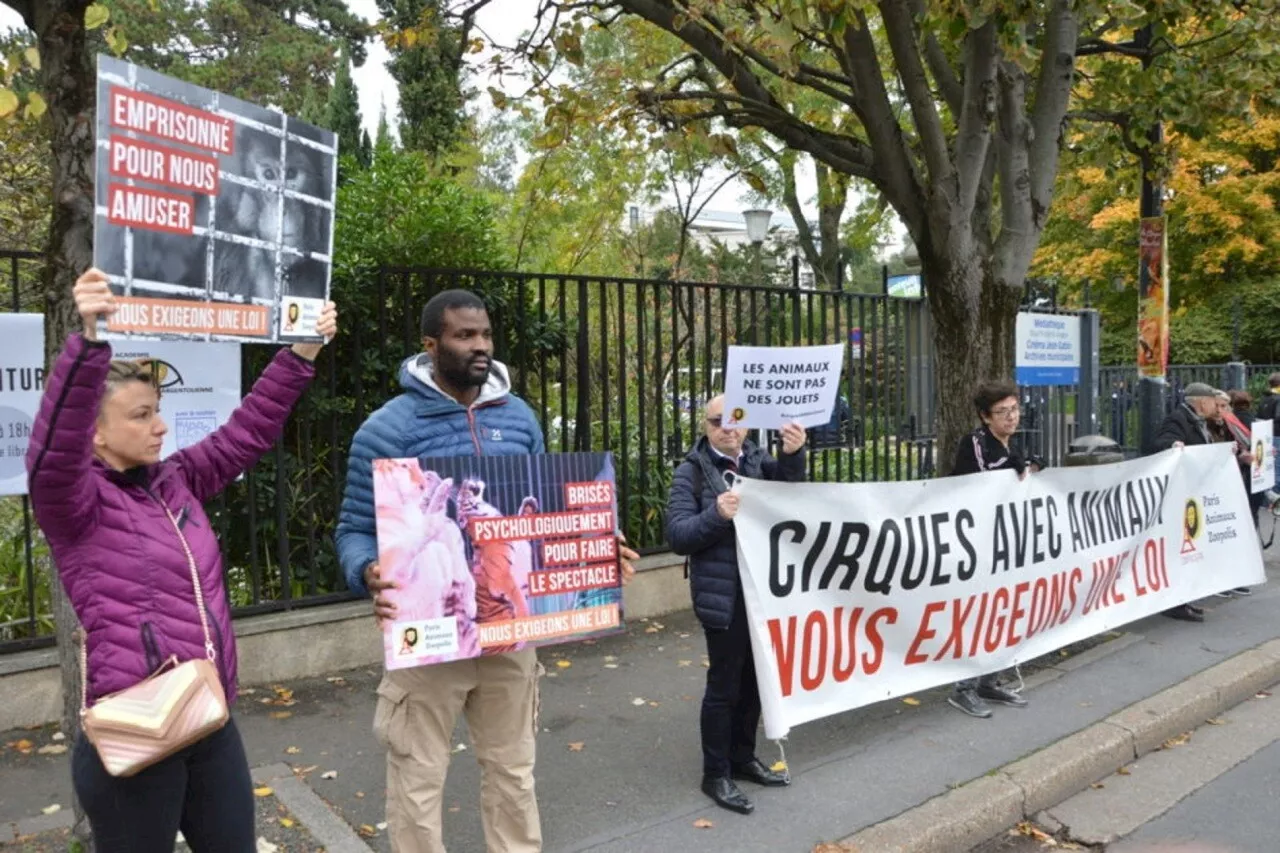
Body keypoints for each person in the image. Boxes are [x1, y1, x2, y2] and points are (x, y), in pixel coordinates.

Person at [26, 267, 337, 853]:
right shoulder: (72, 505)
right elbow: (52, 449)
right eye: (140, 414)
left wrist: (301, 349)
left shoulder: (174, 481)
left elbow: (247, 432)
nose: (159, 425)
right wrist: (90, 343)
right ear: (92, 433)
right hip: (137, 730)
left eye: (157, 409)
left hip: (206, 716)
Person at [335, 288, 638, 853]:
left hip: (510, 636)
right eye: (464, 336)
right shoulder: (387, 428)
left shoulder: (520, 418)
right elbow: (352, 529)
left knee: (513, 773)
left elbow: (543, 513)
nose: (480, 347)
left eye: (486, 335)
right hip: (430, 635)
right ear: (431, 345)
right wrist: (367, 570)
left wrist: (597, 545)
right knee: (418, 780)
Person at [665, 394, 806, 816]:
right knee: (725, 685)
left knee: (755, 681)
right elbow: (677, 536)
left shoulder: (758, 461)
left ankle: (743, 759)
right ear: (706, 426)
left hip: (762, 594)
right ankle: (716, 773)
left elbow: (790, 495)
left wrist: (793, 454)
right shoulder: (690, 472)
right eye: (717, 421)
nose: (728, 428)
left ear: (747, 424)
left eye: (736, 420)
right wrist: (716, 516)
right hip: (722, 596)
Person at [946, 380, 1041, 718]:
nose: (1011, 417)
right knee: (978, 612)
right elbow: (980, 477)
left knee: (1005, 609)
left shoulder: (1009, 444)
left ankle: (990, 679)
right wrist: (1013, 467)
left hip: (1005, 542)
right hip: (976, 543)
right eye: (1003, 412)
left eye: (1014, 409)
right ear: (986, 417)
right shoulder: (974, 442)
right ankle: (964, 688)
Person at [1152, 382, 1221, 622]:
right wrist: (1173, 445)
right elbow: (1161, 443)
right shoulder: (1178, 419)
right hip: (1181, 494)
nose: (1215, 405)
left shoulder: (1198, 421)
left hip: (1193, 492)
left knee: (1191, 546)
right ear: (1202, 401)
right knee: (1181, 548)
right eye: (1213, 400)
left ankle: (1185, 598)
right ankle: (1175, 602)